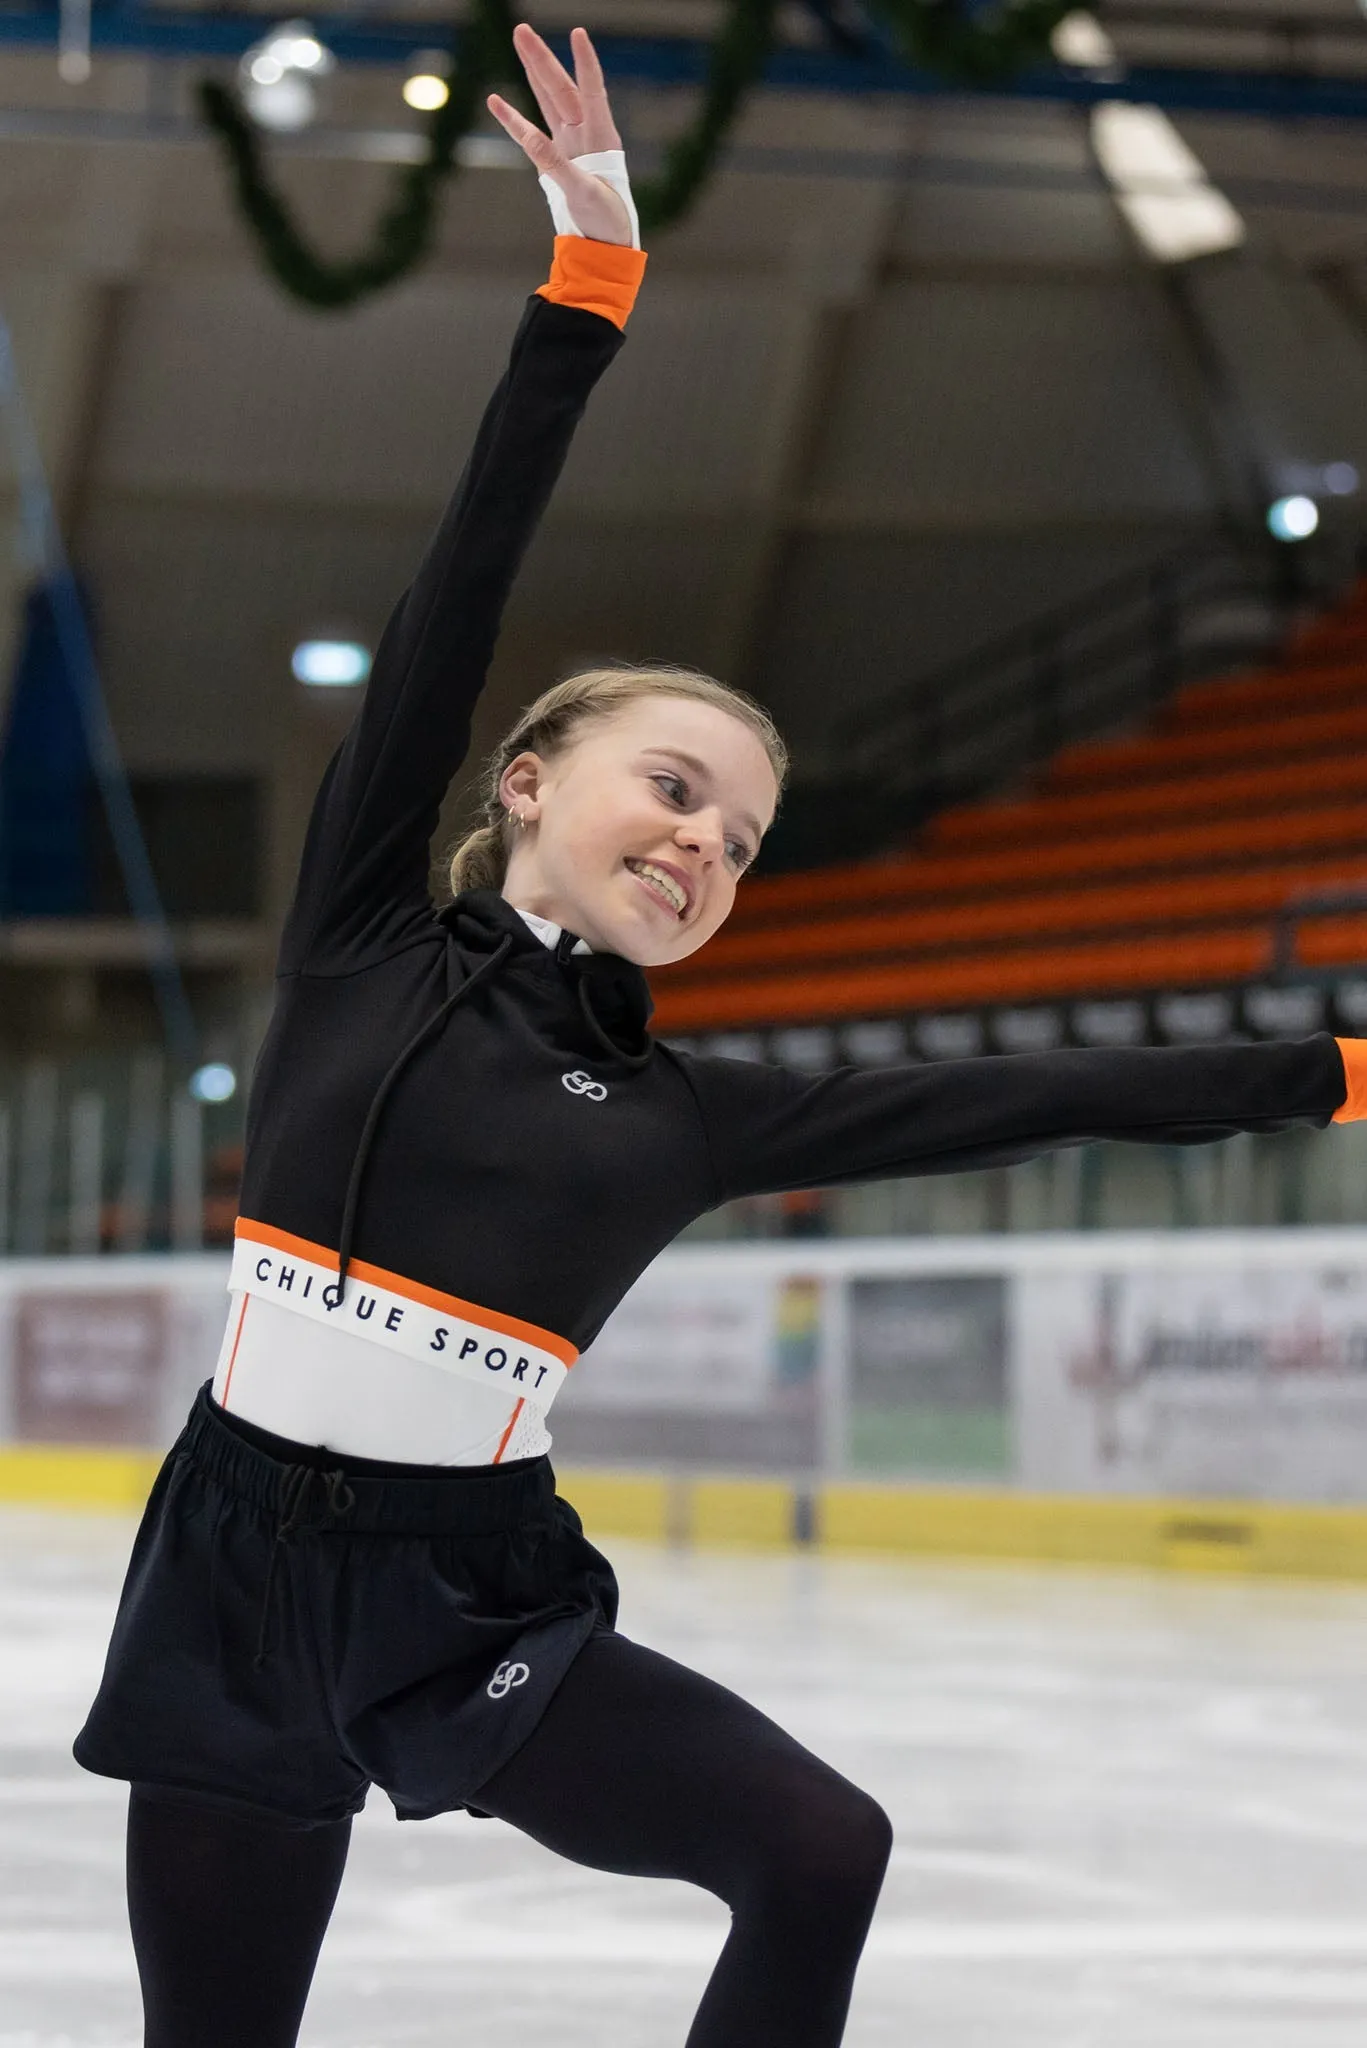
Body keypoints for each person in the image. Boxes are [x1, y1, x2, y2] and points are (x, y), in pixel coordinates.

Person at [73, 23, 1367, 2047]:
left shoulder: (685, 1109)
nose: (702, 842)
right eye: (672, 787)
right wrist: (581, 298)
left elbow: (1042, 1088)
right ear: (523, 780)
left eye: (742, 837)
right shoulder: (353, 945)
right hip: (228, 1575)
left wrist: (1340, 1069)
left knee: (814, 1845)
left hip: (462, 1590)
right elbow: (455, 584)